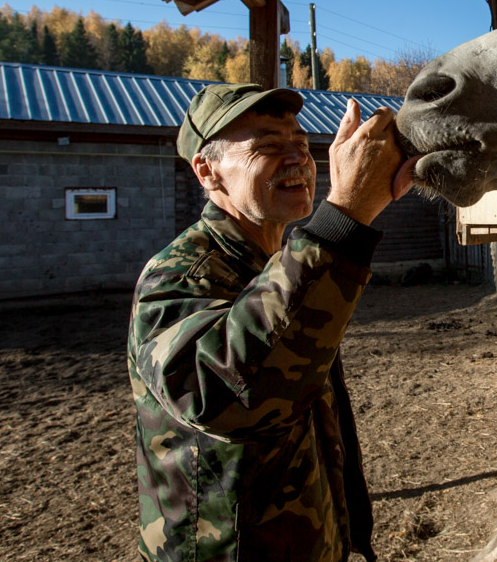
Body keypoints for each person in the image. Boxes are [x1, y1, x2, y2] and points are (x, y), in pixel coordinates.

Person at [129, 82, 411, 562]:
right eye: (267, 146)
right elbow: (224, 397)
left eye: (302, 145)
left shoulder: (275, 261)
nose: (298, 158)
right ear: (207, 171)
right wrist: (345, 216)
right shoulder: (180, 275)